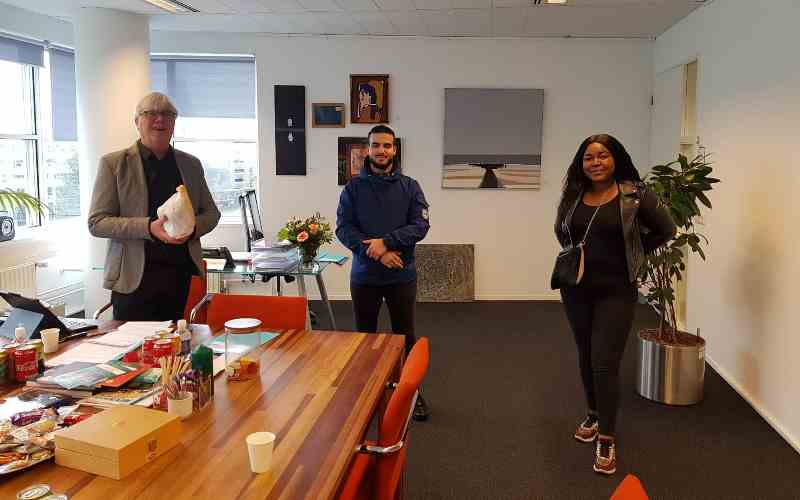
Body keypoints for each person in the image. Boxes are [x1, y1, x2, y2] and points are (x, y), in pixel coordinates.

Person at [554, 134, 675, 475]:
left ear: (615, 158)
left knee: (604, 362)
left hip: (617, 290)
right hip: (575, 288)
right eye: (589, 157)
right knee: (585, 354)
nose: (595, 162)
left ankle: (606, 436)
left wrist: (633, 252)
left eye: (603, 155)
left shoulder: (635, 195)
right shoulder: (574, 194)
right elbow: (561, 231)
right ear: (581, 163)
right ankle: (594, 414)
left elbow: (666, 229)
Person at [88, 92, 220, 321]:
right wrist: (148, 227)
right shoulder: (113, 164)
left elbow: (211, 214)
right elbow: (97, 223)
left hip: (182, 277)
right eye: (151, 113)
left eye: (167, 114)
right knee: (132, 344)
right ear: (137, 122)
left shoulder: (191, 164)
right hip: (133, 280)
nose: (160, 119)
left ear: (174, 123)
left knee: (180, 342)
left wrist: (190, 228)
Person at [336, 125, 431, 420]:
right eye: (376, 145)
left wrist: (386, 242)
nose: (381, 151)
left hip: (401, 275)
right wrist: (377, 251)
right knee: (365, 338)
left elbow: (420, 226)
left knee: (405, 337)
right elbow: (344, 229)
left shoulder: (411, 187)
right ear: (367, 150)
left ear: (394, 149)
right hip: (365, 277)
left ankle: (411, 393)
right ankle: (366, 393)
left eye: (387, 145)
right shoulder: (353, 189)